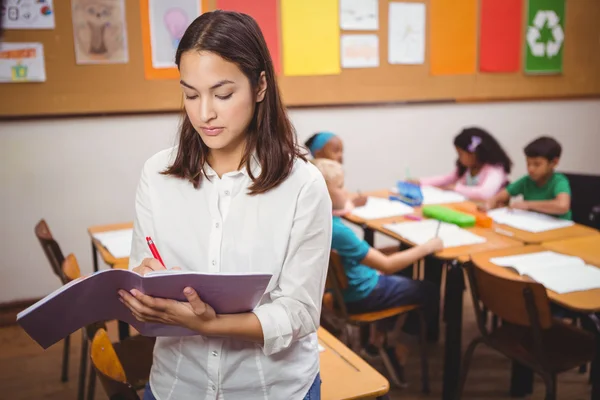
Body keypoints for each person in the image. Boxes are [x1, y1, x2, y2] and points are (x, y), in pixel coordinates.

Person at [118, 11, 332, 400]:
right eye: (190, 94)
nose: (204, 114)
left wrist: (210, 324)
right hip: (177, 384)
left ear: (260, 86)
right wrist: (144, 288)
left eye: (223, 94)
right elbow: (142, 271)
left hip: (274, 389)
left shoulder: (303, 184)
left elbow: (299, 312)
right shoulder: (158, 174)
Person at [312, 158, 442, 386]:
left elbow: (343, 198)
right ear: (325, 193)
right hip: (363, 295)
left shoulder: (316, 221)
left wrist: (348, 199)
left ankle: (377, 340)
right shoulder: (340, 232)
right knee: (428, 290)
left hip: (341, 294)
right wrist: (427, 247)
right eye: (342, 186)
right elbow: (387, 265)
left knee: (399, 280)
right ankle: (399, 350)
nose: (347, 191)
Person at [412, 127, 512, 201]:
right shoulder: (467, 167)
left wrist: (455, 188)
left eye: (460, 154)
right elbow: (447, 179)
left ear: (474, 154)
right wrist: (420, 182)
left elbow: (484, 194)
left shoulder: (494, 170)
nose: (459, 158)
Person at [484, 136, 572, 219]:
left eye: (537, 164)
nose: (531, 169)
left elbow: (562, 206)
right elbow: (504, 194)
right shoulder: (527, 180)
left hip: (560, 228)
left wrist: (527, 205)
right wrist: (493, 201)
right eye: (528, 163)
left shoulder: (559, 181)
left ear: (554, 162)